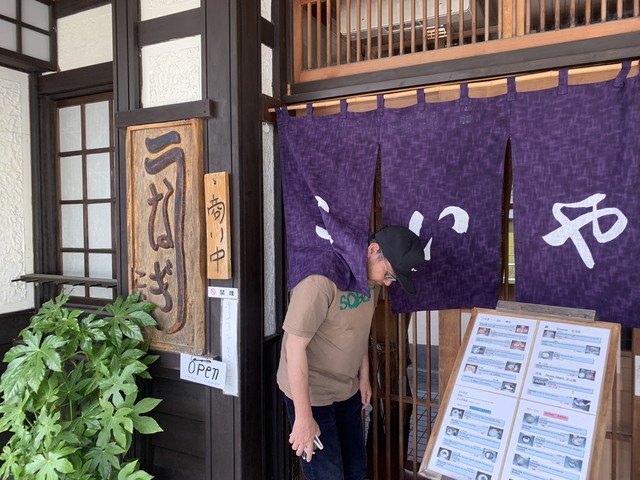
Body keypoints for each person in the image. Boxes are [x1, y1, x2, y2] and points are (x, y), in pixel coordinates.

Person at [277, 225, 425, 480]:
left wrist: (364, 377)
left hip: (347, 389)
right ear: (373, 250)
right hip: (311, 394)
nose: (387, 283)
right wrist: (303, 417)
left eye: (392, 279)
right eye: (389, 274)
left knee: (355, 470)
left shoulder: (371, 281)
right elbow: (294, 347)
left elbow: (359, 330)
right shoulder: (320, 279)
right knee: (328, 475)